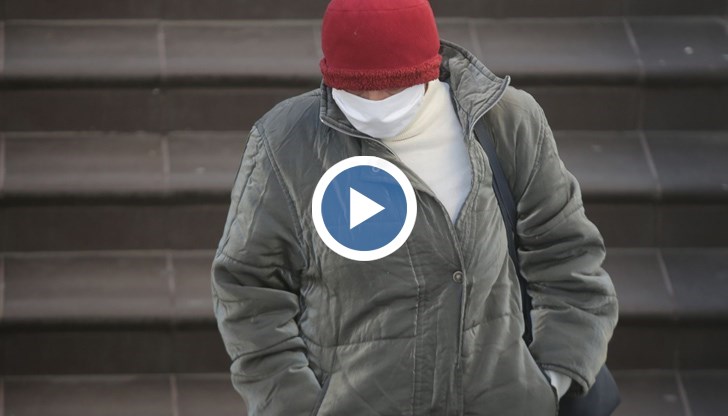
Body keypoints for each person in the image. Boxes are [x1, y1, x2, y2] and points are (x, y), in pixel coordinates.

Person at [210, 0, 619, 414]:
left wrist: (552, 378)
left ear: (429, 70)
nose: (374, 103)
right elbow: (248, 287)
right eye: (356, 90)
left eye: (392, 88)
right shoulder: (285, 143)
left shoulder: (505, 121)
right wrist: (295, 405)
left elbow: (566, 253)